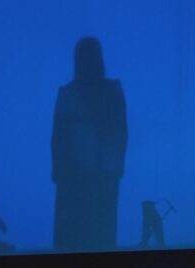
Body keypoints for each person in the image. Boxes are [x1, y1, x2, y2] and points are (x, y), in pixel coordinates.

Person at [51, 36, 128, 252]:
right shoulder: (70, 94)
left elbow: (121, 134)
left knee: (92, 241)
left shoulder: (106, 92)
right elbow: (58, 138)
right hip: (79, 183)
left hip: (96, 182)